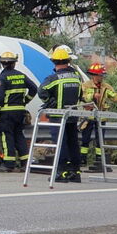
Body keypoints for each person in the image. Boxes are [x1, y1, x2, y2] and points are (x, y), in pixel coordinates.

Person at [38, 46, 82, 183]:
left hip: (58, 116)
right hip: (72, 115)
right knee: (73, 143)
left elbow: (42, 91)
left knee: (60, 143)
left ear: (54, 62)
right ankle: (75, 172)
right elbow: (80, 94)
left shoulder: (54, 78)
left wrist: (49, 102)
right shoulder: (77, 77)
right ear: (68, 61)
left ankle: (61, 172)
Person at [0, 52, 37, 173]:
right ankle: (25, 163)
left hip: (6, 113)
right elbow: (34, 88)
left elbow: (0, 98)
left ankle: (8, 164)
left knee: (7, 137)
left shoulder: (3, 77)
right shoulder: (21, 75)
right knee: (19, 136)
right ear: (14, 63)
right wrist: (24, 101)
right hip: (20, 112)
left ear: (2, 63)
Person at [80, 63, 117, 171]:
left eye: (102, 76)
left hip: (101, 117)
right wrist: (92, 96)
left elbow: (114, 96)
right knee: (85, 139)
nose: (101, 77)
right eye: (99, 75)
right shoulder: (85, 85)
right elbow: (82, 97)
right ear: (93, 75)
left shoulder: (106, 87)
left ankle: (99, 159)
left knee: (100, 139)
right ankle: (82, 159)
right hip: (89, 116)